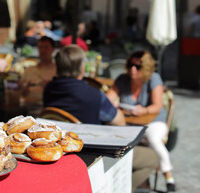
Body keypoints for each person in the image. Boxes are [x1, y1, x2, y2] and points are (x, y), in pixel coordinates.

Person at [43, 45, 159, 191]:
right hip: (93, 156)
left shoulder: (49, 90)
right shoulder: (94, 95)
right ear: (82, 69)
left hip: (60, 152)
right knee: (153, 158)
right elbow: (120, 122)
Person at [107, 50, 176, 192]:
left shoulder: (153, 78)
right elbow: (108, 98)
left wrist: (143, 110)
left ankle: (168, 177)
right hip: (130, 123)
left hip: (154, 121)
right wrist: (111, 104)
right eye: (131, 65)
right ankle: (137, 183)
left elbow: (157, 106)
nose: (133, 69)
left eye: (137, 67)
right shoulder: (123, 79)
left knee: (152, 138)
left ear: (145, 68)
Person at [19, 36, 56, 103]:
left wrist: (50, 87)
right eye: (40, 47)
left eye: (46, 47)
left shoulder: (57, 70)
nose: (43, 50)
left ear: (53, 49)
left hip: (47, 107)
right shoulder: (29, 69)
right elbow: (19, 89)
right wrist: (22, 89)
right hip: (26, 107)